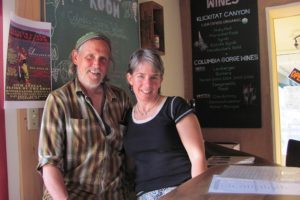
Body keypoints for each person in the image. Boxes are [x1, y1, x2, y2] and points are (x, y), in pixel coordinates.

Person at [37, 32, 132, 200]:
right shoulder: (59, 100)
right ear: (75, 57)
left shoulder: (121, 99)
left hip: (115, 195)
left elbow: (132, 151)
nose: (96, 64)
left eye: (103, 59)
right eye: (90, 57)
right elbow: (49, 164)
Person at [124, 48, 207, 200]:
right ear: (130, 78)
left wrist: (198, 195)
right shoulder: (127, 117)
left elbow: (198, 157)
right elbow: (131, 165)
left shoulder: (174, 106)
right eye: (140, 76)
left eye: (154, 77)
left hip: (181, 189)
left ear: (161, 79)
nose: (147, 84)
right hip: (145, 195)